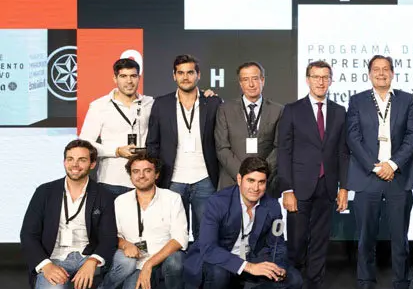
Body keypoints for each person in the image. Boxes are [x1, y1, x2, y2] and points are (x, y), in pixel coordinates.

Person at [183, 157, 303, 289]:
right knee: (217, 273)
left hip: (253, 257)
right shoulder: (217, 202)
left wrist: (278, 266)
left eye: (261, 182)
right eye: (250, 181)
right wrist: (248, 267)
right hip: (220, 259)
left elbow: (277, 243)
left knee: (294, 280)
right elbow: (208, 248)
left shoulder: (272, 206)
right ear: (239, 179)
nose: (255, 188)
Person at [20, 139, 117, 289]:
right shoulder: (45, 192)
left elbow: (108, 237)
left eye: (82, 160)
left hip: (86, 256)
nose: (75, 164)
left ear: (92, 164)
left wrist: (93, 260)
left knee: (127, 261)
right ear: (64, 162)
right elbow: (28, 234)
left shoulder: (104, 195)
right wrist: (46, 265)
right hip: (54, 257)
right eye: (70, 159)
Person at [346, 55, 413, 289]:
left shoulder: (407, 99)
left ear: (392, 73)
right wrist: (376, 166)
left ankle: (402, 287)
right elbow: (353, 137)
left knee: (400, 236)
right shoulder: (357, 101)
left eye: (385, 69)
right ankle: (365, 286)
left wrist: (393, 164)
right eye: (376, 69)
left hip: (398, 177)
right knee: (365, 236)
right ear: (369, 74)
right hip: (368, 177)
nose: (381, 73)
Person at [278, 60, 349, 289]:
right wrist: (287, 189)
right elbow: (284, 152)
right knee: (296, 244)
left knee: (320, 243)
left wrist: (344, 188)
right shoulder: (292, 110)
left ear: (331, 80)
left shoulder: (340, 112)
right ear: (307, 79)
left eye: (325, 77)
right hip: (298, 189)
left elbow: (343, 153)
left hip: (327, 188)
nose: (320, 81)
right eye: (315, 76)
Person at [92, 154, 188, 289]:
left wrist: (149, 264)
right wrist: (124, 245)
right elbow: (113, 234)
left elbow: (180, 238)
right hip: (136, 261)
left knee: (176, 260)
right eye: (136, 171)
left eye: (147, 171)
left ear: (156, 174)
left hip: (164, 257)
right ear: (130, 175)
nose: (141, 175)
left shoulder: (172, 198)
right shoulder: (120, 201)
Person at [146, 54, 222, 243]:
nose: (185, 77)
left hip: (205, 179)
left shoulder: (213, 102)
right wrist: (155, 176)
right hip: (172, 181)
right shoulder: (161, 104)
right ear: (174, 76)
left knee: (206, 237)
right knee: (174, 238)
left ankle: (202, 272)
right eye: (180, 73)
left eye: (190, 72)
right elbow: (152, 143)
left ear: (198, 75)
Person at [79, 58, 154, 197]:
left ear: (139, 77)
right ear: (115, 78)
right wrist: (117, 151)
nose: (129, 81)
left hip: (144, 180)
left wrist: (205, 95)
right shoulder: (99, 106)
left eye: (133, 76)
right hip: (111, 181)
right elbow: (85, 144)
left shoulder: (150, 103)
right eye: (123, 76)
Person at [215, 61, 283, 195]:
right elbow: (222, 147)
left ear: (262, 80)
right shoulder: (224, 109)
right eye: (246, 80)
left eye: (255, 79)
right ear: (241, 83)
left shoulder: (278, 110)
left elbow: (279, 147)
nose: (251, 84)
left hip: (264, 184)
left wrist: (260, 175)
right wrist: (243, 175)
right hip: (232, 182)